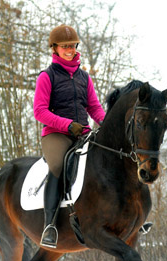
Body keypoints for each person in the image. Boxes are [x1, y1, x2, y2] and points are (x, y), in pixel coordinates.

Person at [33, 24, 105, 248]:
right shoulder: (47, 76)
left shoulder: (84, 77)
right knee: (59, 165)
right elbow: (40, 111)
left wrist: (107, 125)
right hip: (56, 135)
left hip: (82, 132)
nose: (70, 50)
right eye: (65, 46)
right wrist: (67, 125)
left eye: (72, 46)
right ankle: (50, 225)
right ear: (54, 48)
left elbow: (94, 107)